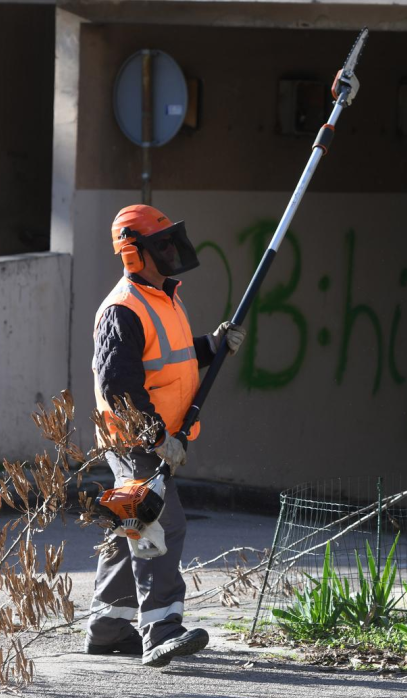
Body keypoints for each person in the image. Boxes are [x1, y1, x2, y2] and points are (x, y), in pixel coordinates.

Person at [86, 204, 245, 668]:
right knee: (160, 523)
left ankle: (109, 628)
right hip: (134, 441)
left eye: (171, 241)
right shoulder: (123, 308)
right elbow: (120, 386)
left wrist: (210, 347)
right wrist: (156, 438)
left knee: (128, 528)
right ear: (134, 254)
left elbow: (168, 361)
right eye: (162, 244)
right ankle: (161, 629)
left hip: (153, 438)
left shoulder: (163, 297)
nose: (172, 250)